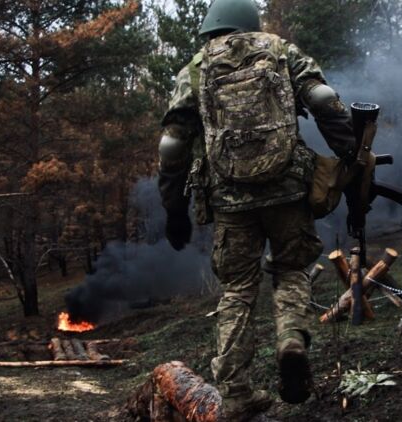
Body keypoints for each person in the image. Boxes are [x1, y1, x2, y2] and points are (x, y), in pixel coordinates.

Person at [157, 0, 355, 419]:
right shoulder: (281, 50)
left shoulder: (194, 68)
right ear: (250, 22)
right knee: (292, 270)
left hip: (230, 200)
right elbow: (322, 98)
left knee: (238, 290)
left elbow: (172, 143)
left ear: (211, 26)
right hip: (287, 190)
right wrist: (348, 153)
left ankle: (234, 392)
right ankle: (291, 342)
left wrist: (173, 207)